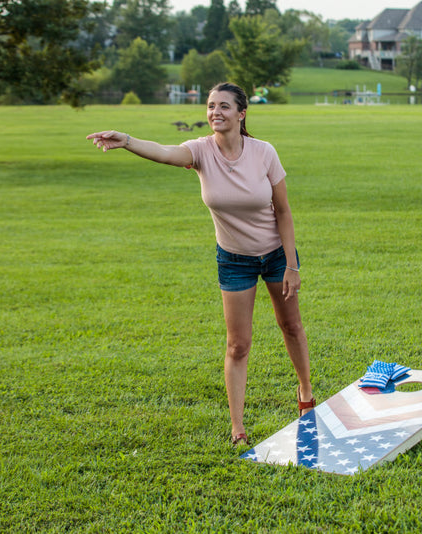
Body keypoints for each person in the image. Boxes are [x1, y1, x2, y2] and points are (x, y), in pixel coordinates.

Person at [86, 82, 314, 446]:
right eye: (210, 106)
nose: (215, 113)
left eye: (224, 106)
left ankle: (305, 391)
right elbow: (163, 152)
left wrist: (291, 265)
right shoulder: (199, 151)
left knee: (291, 327)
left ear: (241, 113)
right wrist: (127, 140)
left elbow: (283, 211)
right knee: (237, 345)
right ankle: (238, 428)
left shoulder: (264, 152)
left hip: (275, 254)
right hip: (234, 259)